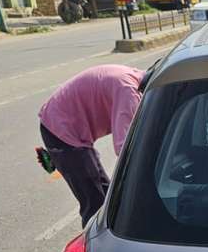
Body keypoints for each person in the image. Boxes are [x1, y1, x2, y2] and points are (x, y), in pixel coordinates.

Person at [38, 65, 145, 227]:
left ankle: (59, 159)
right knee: (94, 203)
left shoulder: (136, 78)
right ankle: (93, 248)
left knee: (107, 195)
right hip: (61, 129)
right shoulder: (129, 92)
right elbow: (124, 148)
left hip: (68, 126)